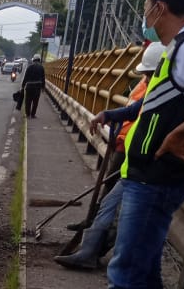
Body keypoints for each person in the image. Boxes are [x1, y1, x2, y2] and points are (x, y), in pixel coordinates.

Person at [85, 0, 184, 289]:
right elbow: (157, 103)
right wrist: (114, 116)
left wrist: (181, 133)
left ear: (159, 7)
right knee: (143, 274)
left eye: (147, 3)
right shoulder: (174, 49)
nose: (145, 11)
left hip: (157, 179)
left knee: (125, 274)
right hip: (148, 174)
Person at [55, 41, 165, 269]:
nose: (146, 77)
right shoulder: (155, 87)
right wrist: (108, 114)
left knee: (120, 212)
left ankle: (99, 254)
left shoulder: (170, 91)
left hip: (149, 165)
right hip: (132, 157)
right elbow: (135, 110)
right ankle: (88, 252)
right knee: (109, 204)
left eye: (149, 73)